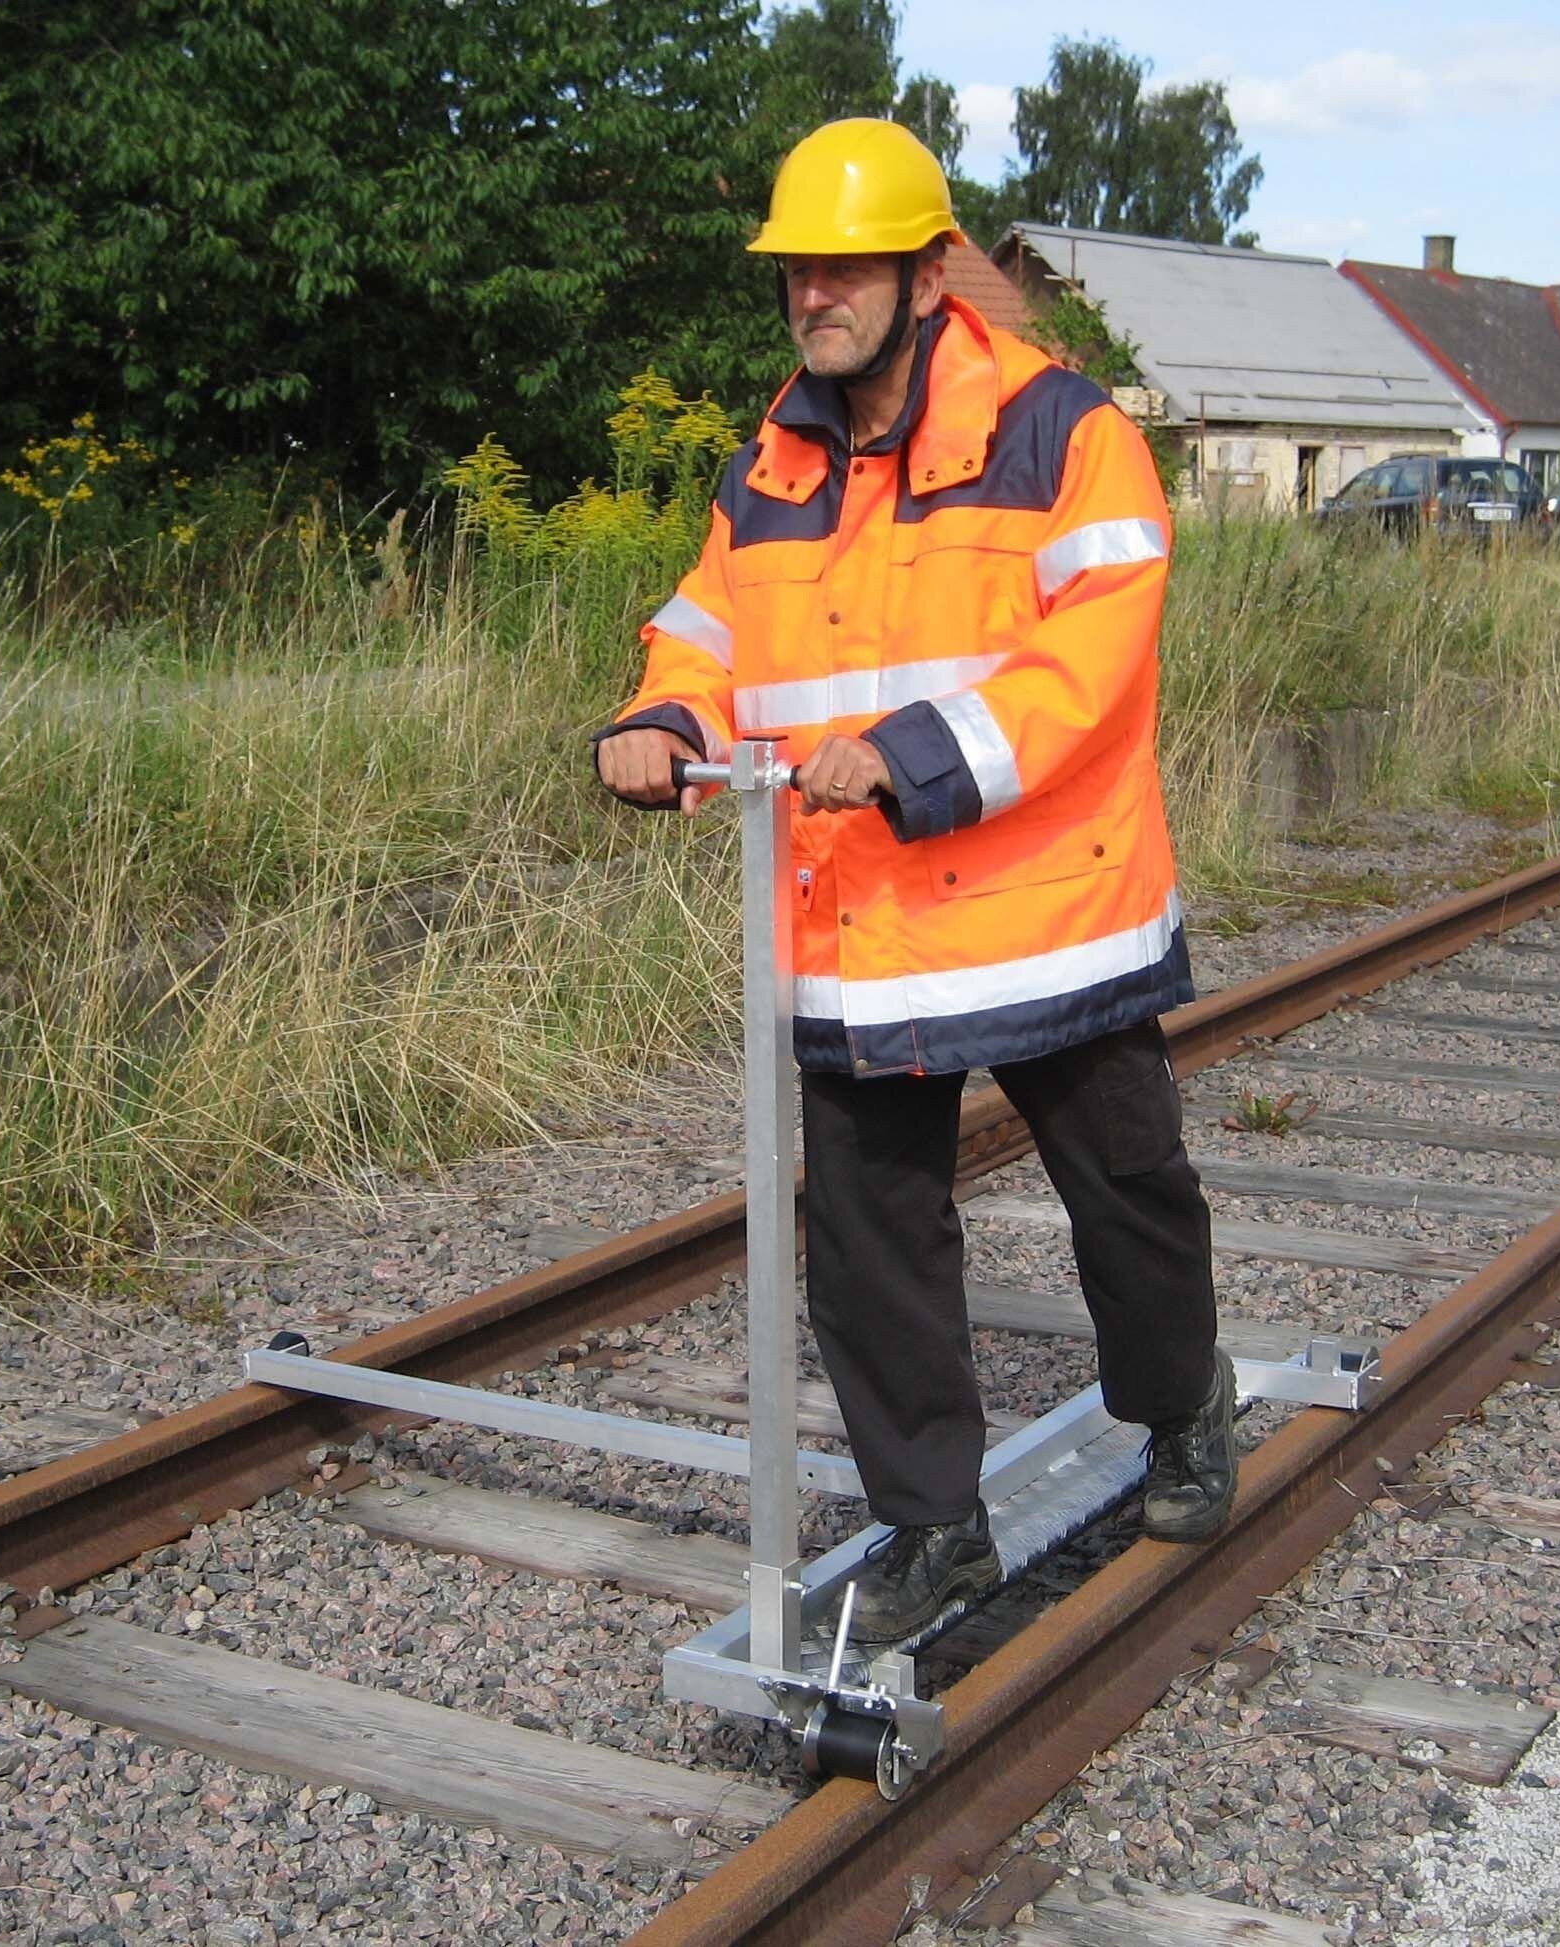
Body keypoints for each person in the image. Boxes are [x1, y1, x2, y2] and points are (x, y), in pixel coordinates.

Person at [593, 119, 1232, 1647]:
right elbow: (709, 622)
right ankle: (933, 1525)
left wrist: (906, 753)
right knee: (870, 1244)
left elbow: (1094, 654)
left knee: (1129, 1192)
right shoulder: (774, 453)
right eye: (794, 268)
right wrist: (663, 714)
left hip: (1044, 905)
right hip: (860, 920)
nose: (814, 293)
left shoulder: (1063, 431)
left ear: (930, 270)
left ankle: (1179, 1411)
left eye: (843, 266)